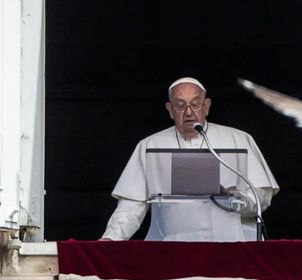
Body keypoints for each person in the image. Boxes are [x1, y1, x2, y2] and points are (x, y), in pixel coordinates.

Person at [101, 77, 279, 241]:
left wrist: (234, 197)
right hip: (172, 246)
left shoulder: (239, 139)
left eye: (195, 104)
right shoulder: (150, 145)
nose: (188, 112)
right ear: (170, 110)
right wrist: (110, 239)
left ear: (206, 106)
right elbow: (131, 205)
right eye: (180, 105)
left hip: (231, 245)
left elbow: (262, 198)